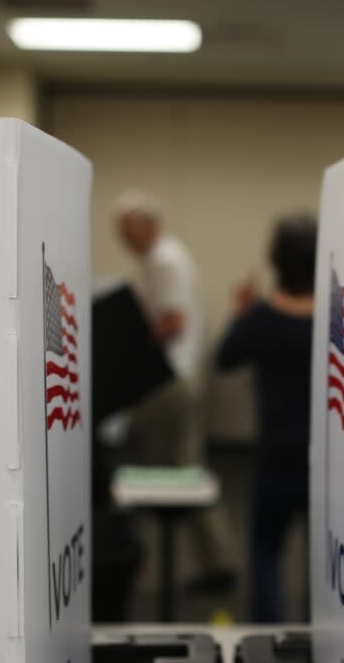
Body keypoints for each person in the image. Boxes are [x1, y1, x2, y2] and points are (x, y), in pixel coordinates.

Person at [114, 189, 237, 593]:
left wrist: (133, 344)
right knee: (184, 466)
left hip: (173, 379)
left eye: (126, 231)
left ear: (146, 226)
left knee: (137, 449)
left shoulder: (164, 259)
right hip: (179, 377)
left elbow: (174, 322)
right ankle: (214, 559)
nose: (123, 239)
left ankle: (136, 555)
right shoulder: (162, 257)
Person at [215, 212, 316, 622]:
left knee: (265, 552)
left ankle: (268, 639)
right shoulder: (336, 319)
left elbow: (225, 358)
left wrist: (240, 311)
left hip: (274, 453)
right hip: (322, 457)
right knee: (322, 559)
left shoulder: (261, 317)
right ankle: (319, 636)